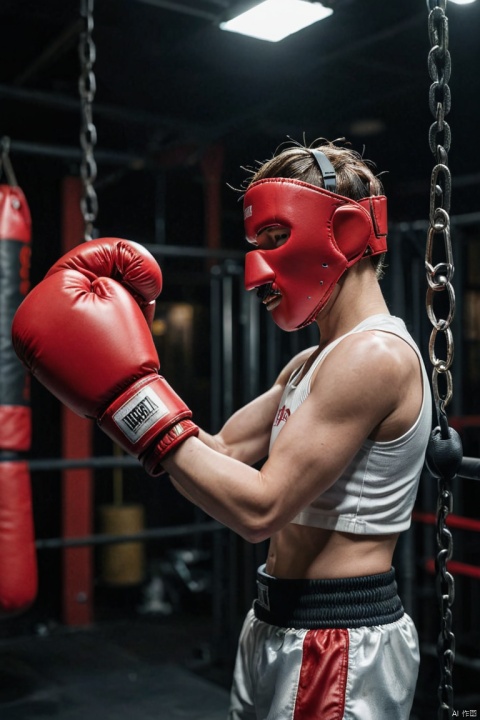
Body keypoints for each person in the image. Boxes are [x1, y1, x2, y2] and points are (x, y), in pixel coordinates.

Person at [12, 139, 432, 720]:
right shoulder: (311, 363)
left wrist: (136, 405)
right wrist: (123, 385)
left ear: (350, 233)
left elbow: (260, 508)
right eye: (255, 244)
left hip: (337, 639)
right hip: (274, 623)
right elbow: (220, 450)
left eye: (275, 239)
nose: (257, 269)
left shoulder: (376, 358)